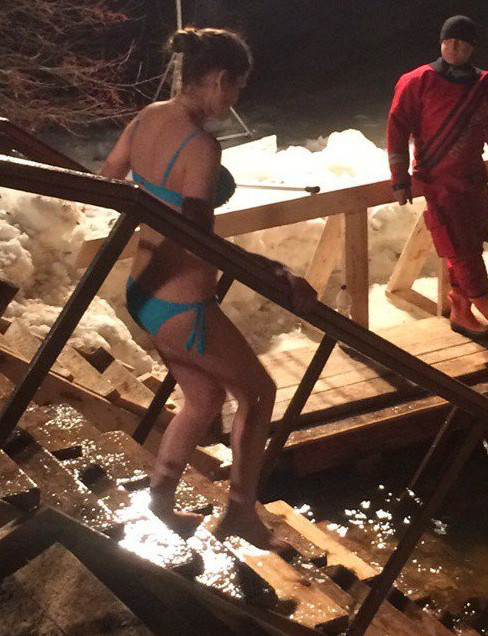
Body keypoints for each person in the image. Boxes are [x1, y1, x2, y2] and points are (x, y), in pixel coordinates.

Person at [100, 27, 317, 550]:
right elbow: (198, 238)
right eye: (237, 87)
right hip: (183, 304)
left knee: (203, 397)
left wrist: (155, 196)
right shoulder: (200, 145)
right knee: (258, 393)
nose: (236, 98)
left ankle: (159, 500)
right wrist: (273, 269)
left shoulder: (147, 117)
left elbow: (108, 179)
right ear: (220, 80)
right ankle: (241, 513)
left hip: (144, 291)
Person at [387, 15, 488, 344]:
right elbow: (397, 128)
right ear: (440, 43)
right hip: (438, 181)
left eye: (461, 43)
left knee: (470, 245)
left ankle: (461, 311)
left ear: (472, 48)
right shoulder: (417, 80)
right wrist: (399, 178)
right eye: (448, 41)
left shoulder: (483, 83)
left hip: (473, 177)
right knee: (462, 250)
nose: (453, 48)